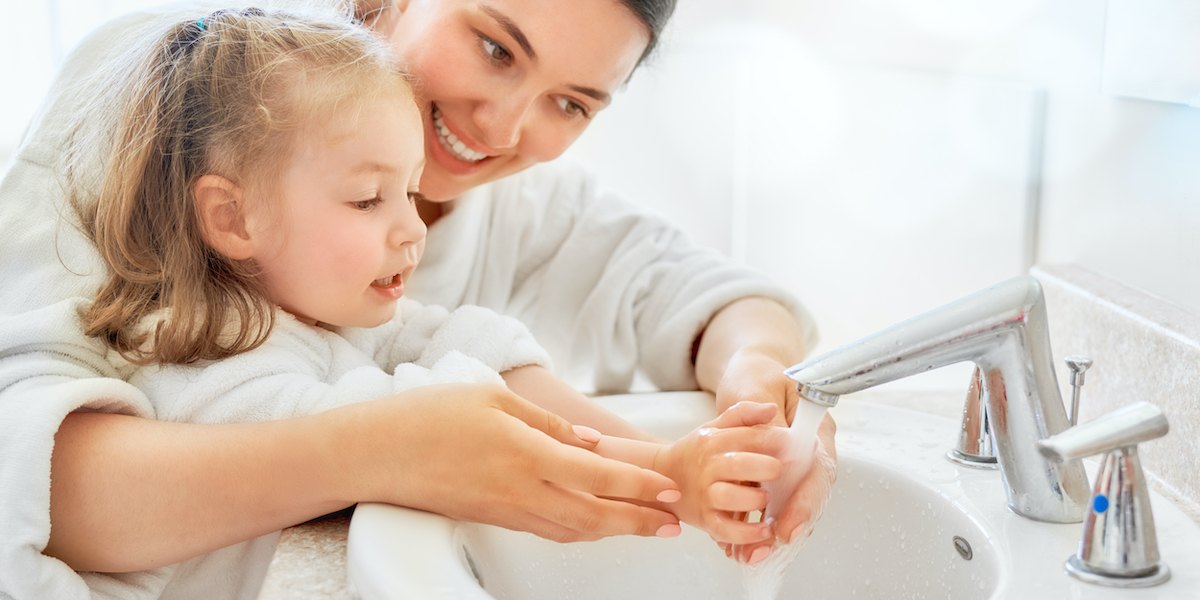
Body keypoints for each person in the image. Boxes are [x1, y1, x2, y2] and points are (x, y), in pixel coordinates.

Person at [0, 0, 836, 596]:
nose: (505, 127)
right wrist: (378, 449)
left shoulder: (525, 216)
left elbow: (705, 300)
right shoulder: (173, 99)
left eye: (571, 104)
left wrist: (756, 406)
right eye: (496, 48)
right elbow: (25, 469)